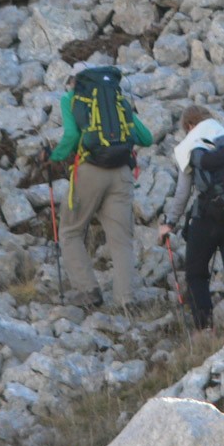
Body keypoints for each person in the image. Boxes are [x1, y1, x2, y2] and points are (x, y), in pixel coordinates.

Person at [44, 64, 153, 309]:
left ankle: (88, 291)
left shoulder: (71, 99)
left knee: (71, 231)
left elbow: (72, 136)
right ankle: (126, 300)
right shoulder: (117, 100)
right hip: (122, 173)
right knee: (121, 239)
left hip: (90, 171)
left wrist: (54, 156)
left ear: (74, 83)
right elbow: (147, 137)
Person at [158, 106, 224, 331]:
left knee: (196, 273)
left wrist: (169, 223)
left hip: (207, 218)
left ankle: (204, 328)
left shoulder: (190, 145)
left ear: (189, 125)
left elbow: (183, 193)